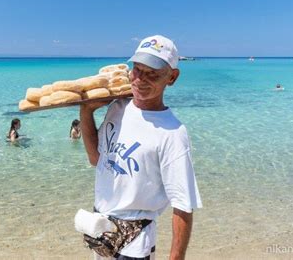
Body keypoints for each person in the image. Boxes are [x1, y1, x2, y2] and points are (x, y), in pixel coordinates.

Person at [80, 35, 202, 260]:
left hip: (134, 245)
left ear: (172, 77)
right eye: (137, 69)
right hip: (100, 232)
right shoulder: (117, 107)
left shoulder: (173, 133)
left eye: (152, 74)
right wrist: (86, 111)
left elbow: (183, 206)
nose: (140, 80)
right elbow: (96, 159)